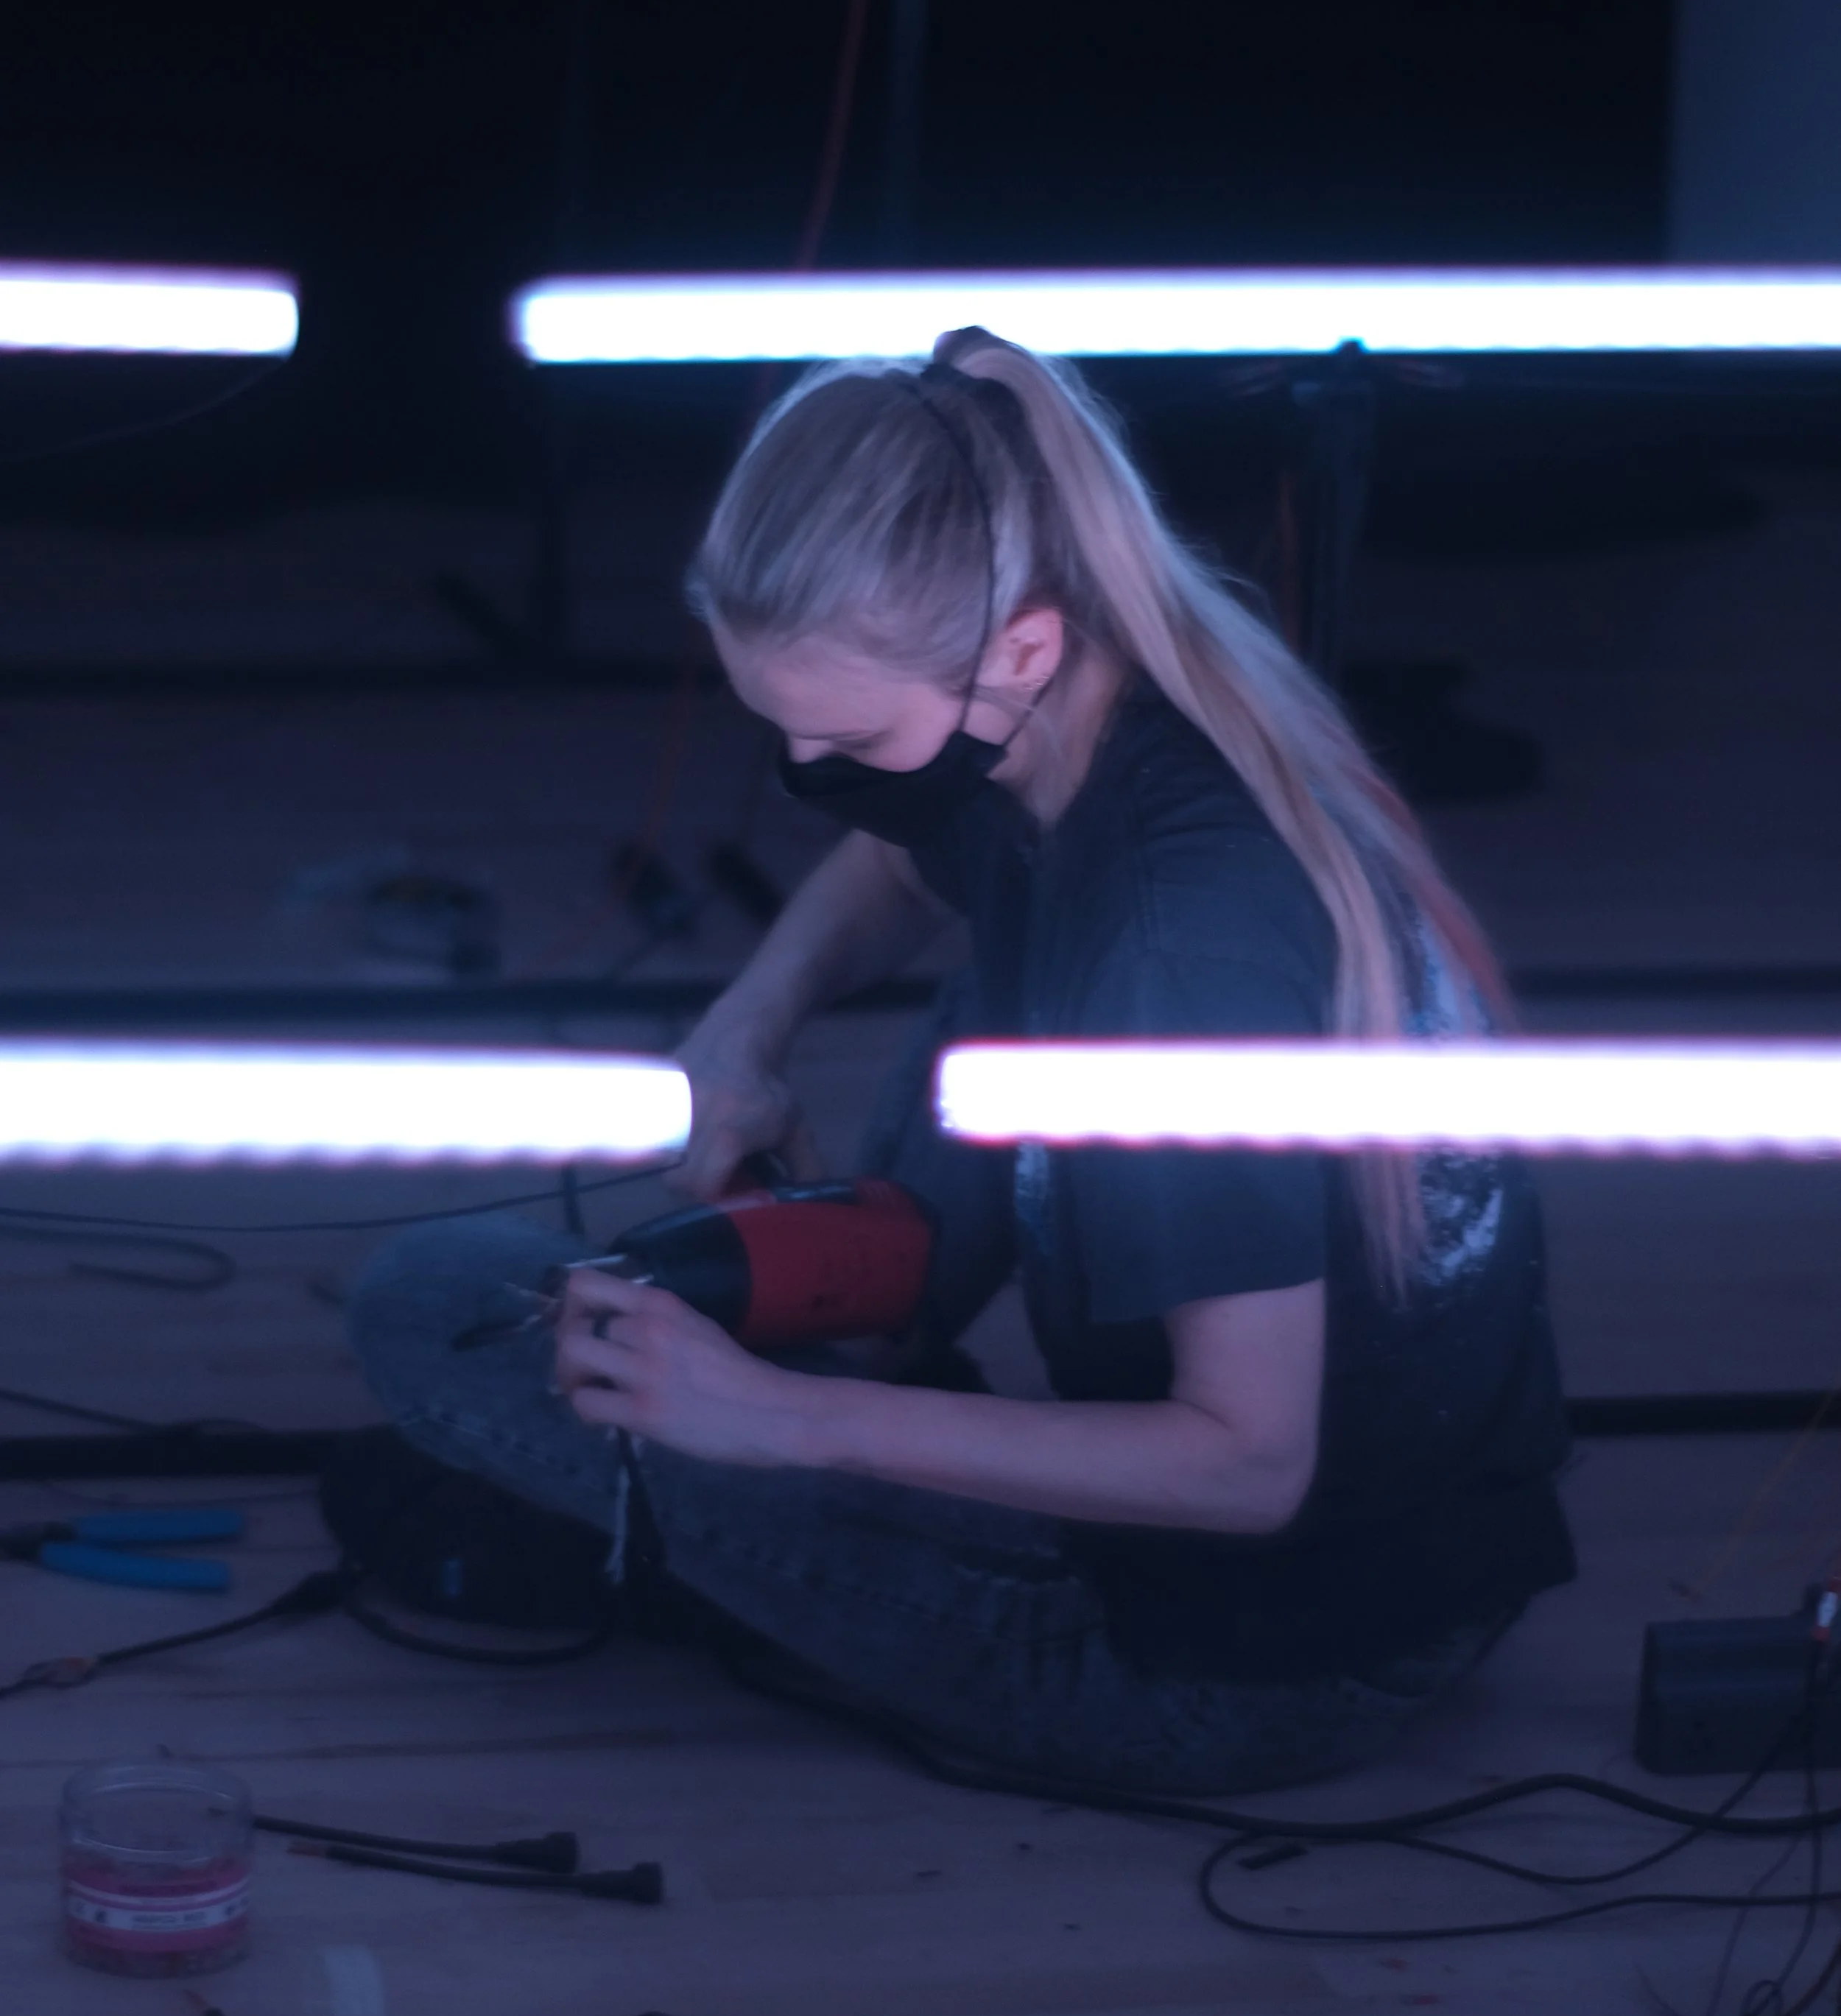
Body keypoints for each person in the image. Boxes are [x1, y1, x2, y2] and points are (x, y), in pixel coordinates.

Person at [351, 331, 1574, 1794]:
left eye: (851, 736)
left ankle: (802, 1438)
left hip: (1245, 1654)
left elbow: (1250, 1466)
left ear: (1020, 652)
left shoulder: (1171, 959)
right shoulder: (1098, 711)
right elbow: (901, 860)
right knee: (607, 1310)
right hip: (1393, 1543)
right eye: (783, 731)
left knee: (430, 1304)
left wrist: (784, 1420)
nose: (821, 774)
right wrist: (749, 1021)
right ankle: (858, 1366)